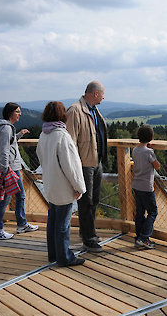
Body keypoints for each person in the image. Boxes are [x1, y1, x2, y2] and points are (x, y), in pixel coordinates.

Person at [36, 101, 87, 266]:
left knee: (53, 222)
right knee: (63, 225)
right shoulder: (62, 136)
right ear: (62, 115)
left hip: (50, 184)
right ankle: (64, 257)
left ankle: (53, 254)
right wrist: (79, 187)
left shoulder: (44, 134)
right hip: (63, 186)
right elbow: (71, 166)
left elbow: (41, 159)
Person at [66, 81, 108, 252]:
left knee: (94, 200)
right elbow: (70, 142)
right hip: (84, 164)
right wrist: (75, 167)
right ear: (95, 93)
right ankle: (89, 239)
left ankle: (87, 232)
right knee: (86, 201)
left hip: (96, 162)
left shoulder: (93, 110)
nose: (104, 97)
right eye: (103, 93)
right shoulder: (75, 110)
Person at [0, 102, 39, 240]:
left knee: (20, 196)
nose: (20, 114)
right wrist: (5, 169)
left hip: (12, 167)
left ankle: (21, 224)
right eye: (17, 111)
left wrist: (19, 134)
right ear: (10, 113)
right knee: (4, 200)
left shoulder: (8, 128)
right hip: (9, 169)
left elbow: (10, 143)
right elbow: (4, 150)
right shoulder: (6, 128)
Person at [132, 125, 161, 249]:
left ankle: (138, 237)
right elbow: (157, 166)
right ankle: (144, 238)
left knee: (140, 213)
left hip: (136, 185)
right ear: (151, 138)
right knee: (153, 212)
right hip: (147, 187)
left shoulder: (135, 150)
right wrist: (152, 151)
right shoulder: (149, 152)